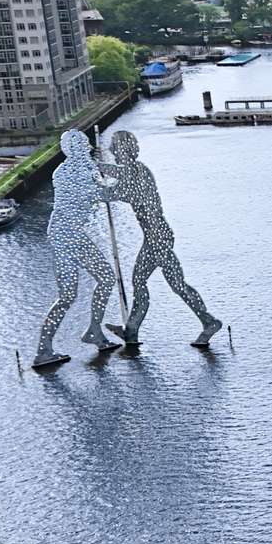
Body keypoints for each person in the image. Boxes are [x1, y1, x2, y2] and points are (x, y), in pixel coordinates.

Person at [100, 130, 221, 347]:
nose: (112, 151)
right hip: (157, 236)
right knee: (171, 283)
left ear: (124, 149)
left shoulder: (136, 173)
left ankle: (134, 330)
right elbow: (115, 178)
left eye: (115, 148)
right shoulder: (137, 170)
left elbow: (110, 193)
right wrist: (97, 170)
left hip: (157, 237)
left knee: (149, 282)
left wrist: (93, 172)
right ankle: (134, 330)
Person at [33, 131, 119, 367]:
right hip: (64, 235)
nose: (89, 148)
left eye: (88, 145)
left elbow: (99, 189)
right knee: (68, 295)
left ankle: (94, 331)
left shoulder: (83, 168)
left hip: (72, 233)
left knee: (105, 278)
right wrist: (119, 188)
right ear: (74, 150)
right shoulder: (66, 172)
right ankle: (44, 350)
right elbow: (95, 194)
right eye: (84, 146)